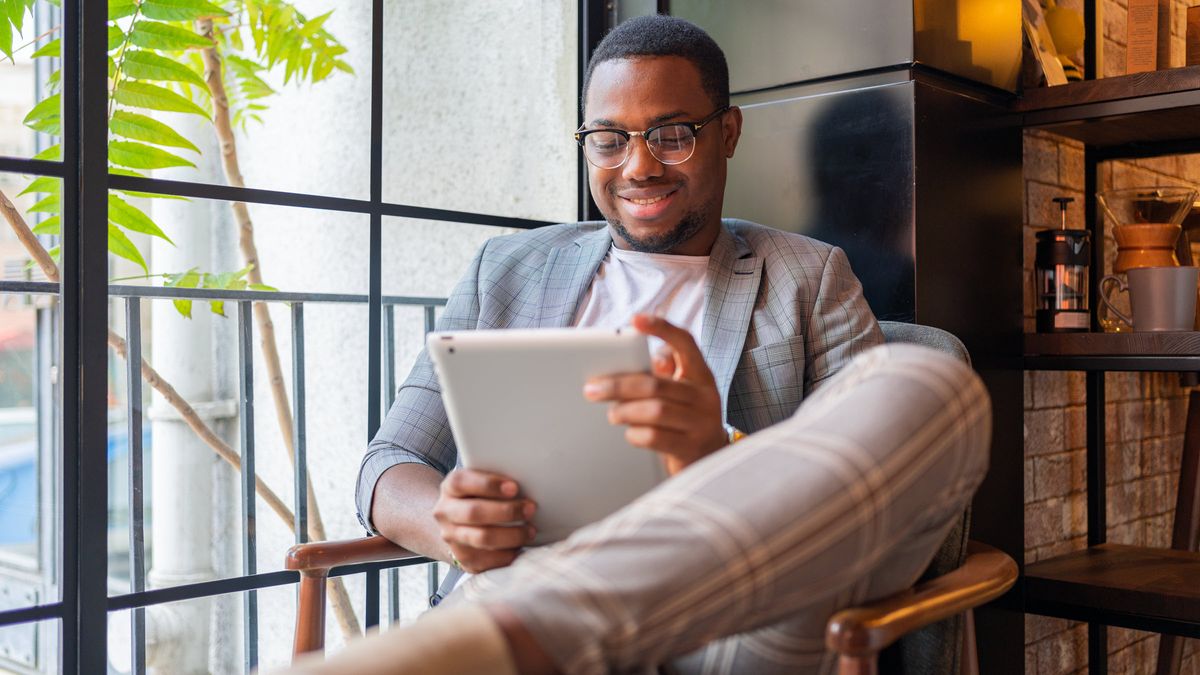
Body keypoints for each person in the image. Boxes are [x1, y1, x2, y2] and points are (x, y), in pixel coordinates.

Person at [324, 15, 990, 675]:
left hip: (728, 627)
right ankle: (542, 620)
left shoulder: (809, 278)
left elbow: (866, 519)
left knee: (934, 387)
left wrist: (715, 455)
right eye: (609, 140)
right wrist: (451, 525)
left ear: (727, 133)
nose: (638, 166)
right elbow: (388, 460)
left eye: (672, 135)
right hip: (507, 599)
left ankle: (546, 619)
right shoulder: (505, 270)